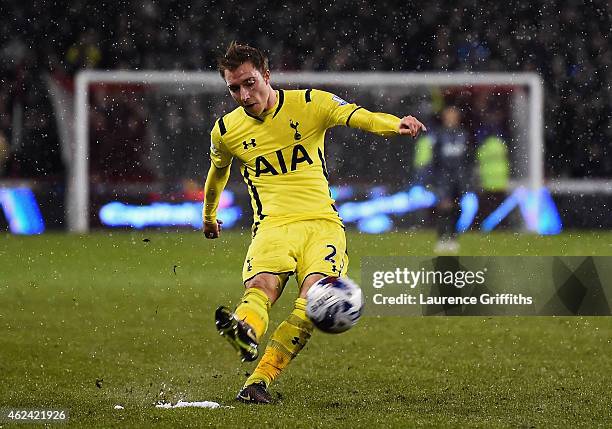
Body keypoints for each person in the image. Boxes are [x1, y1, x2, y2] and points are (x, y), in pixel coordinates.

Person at [203, 42, 426, 404]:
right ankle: (244, 331)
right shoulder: (226, 131)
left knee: (312, 302)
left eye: (250, 83)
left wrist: (394, 124)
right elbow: (217, 173)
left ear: (267, 75)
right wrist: (208, 214)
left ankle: (257, 383)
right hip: (272, 226)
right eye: (234, 88)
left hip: (321, 224)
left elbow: (358, 116)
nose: (244, 95)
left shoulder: (311, 103)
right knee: (262, 286)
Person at [429, 106, 472, 254]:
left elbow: (468, 158)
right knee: (444, 207)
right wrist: (434, 178)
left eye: (454, 115)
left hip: (458, 176)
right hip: (443, 176)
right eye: (449, 115)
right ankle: (441, 238)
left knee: (456, 207)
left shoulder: (463, 134)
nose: (451, 118)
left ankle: (453, 238)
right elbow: (434, 158)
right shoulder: (439, 134)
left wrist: (467, 177)